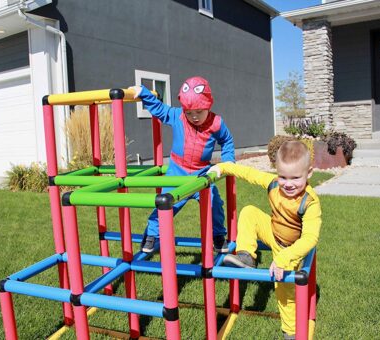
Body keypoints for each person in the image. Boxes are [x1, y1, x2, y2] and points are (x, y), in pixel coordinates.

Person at [208, 141, 321, 340]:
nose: (288, 184)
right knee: (249, 212)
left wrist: (284, 258)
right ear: (276, 172)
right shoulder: (273, 184)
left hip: (290, 246)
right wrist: (222, 167)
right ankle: (246, 257)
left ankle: (290, 331)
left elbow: (310, 238)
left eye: (295, 178)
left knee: (284, 292)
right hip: (273, 231)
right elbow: (247, 173)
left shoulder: (309, 202)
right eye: (283, 176)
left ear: (309, 173)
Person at [130, 76, 235, 254]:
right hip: (177, 173)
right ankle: (153, 234)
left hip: (201, 174)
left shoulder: (216, 123)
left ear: (208, 105)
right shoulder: (178, 116)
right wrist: (144, 94)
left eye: (199, 112)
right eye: (189, 112)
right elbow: (159, 109)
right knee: (164, 205)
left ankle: (218, 235)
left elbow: (227, 141)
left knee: (214, 203)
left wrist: (227, 161)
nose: (194, 117)